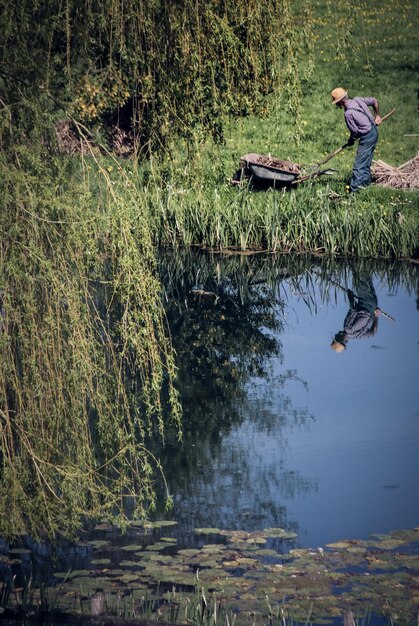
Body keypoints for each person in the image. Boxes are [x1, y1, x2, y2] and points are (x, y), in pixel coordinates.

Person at [331, 87, 382, 193]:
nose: (336, 105)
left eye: (336, 102)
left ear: (341, 101)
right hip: (374, 131)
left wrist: (351, 140)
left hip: (367, 136)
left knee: (359, 165)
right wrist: (377, 115)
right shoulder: (358, 100)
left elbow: (355, 132)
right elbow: (374, 101)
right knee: (366, 161)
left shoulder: (348, 114)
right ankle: (365, 185)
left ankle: (354, 192)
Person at [331, 275, 381, 352]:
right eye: (336, 337)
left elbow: (373, 333)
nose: (335, 334)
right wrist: (350, 296)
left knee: (367, 274)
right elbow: (353, 309)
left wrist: (376, 316)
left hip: (373, 306)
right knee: (362, 274)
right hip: (366, 302)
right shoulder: (347, 327)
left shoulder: (356, 336)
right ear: (340, 338)